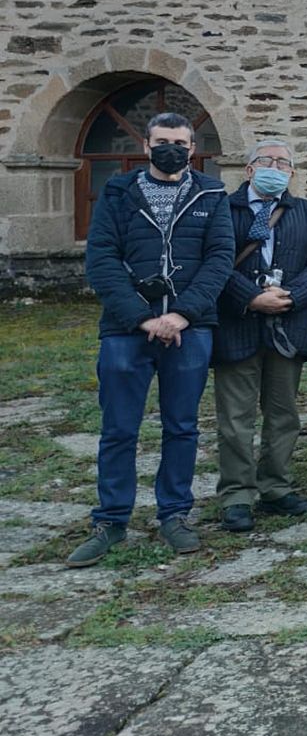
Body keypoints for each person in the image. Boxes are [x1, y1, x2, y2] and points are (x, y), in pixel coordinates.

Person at [70, 113, 234, 567]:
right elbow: (102, 259)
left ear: (192, 147)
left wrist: (182, 314)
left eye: (180, 143)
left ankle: (175, 514)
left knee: (181, 427)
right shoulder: (119, 192)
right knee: (119, 429)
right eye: (162, 141)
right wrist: (143, 317)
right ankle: (110, 519)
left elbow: (219, 259)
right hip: (126, 330)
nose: (171, 149)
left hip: (191, 327)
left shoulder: (212, 193)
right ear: (146, 145)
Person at [212, 139, 307, 532]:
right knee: (236, 417)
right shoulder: (221, 210)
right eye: (267, 161)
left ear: (292, 173)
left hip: (288, 325)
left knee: (284, 415)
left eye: (284, 163)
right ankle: (237, 495)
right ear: (249, 169)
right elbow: (212, 262)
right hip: (238, 324)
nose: (276, 168)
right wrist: (251, 297)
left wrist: (291, 297)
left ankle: (275, 487)